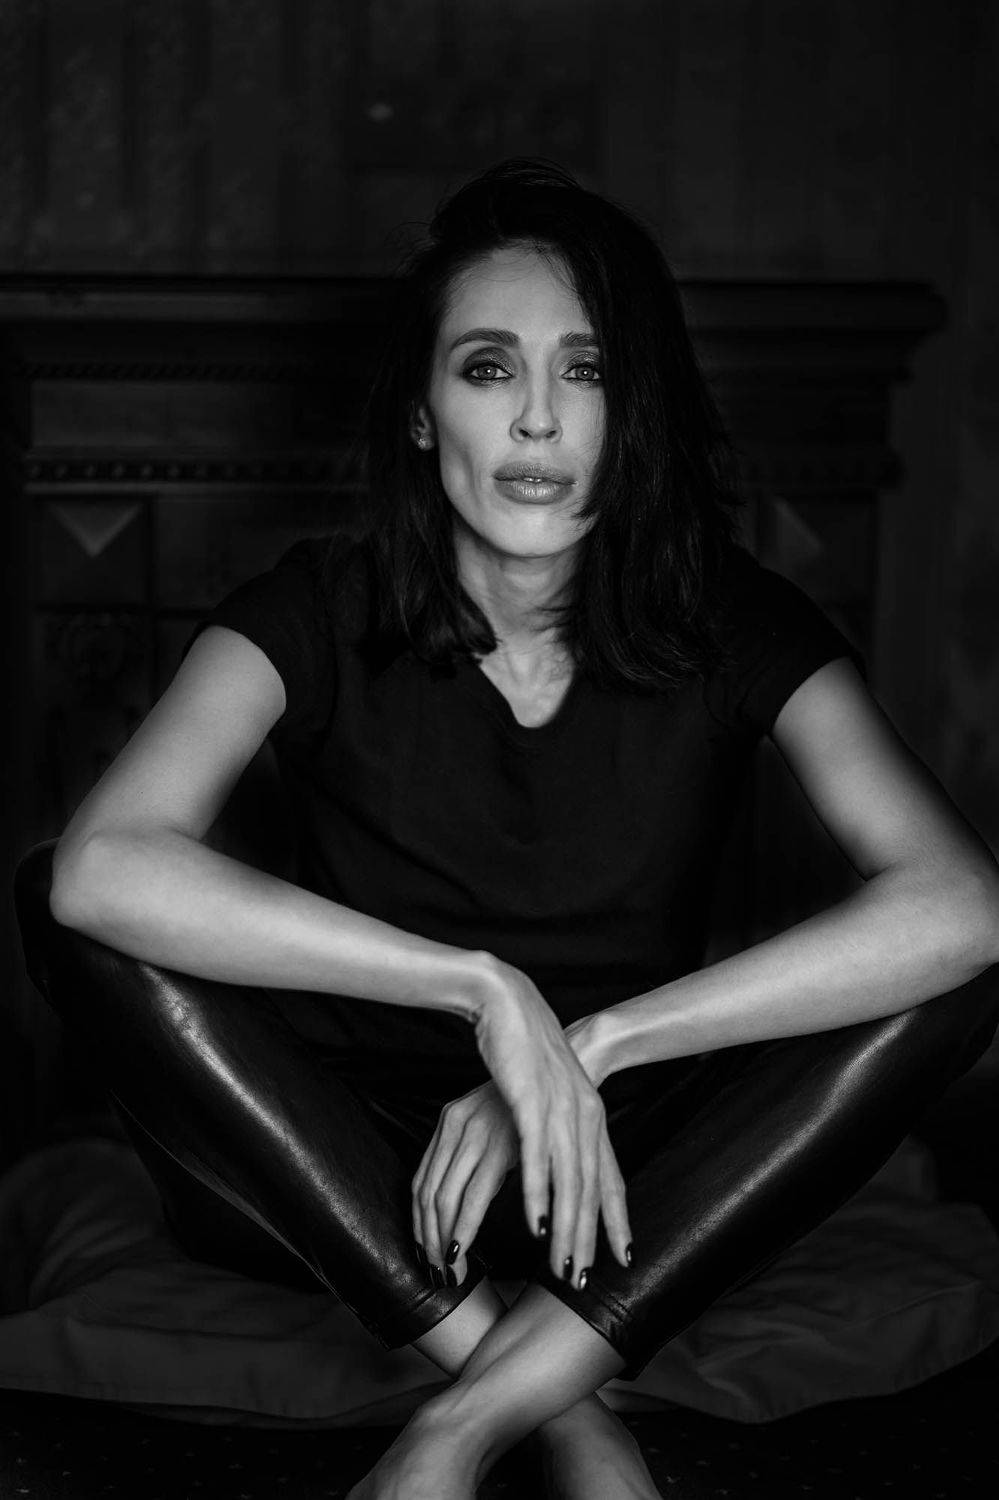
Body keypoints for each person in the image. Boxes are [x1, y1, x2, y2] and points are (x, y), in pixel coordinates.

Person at [47, 158, 999, 1500]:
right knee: (68, 912)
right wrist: (482, 994)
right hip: (334, 1176)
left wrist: (589, 1051)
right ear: (423, 412)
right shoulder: (317, 604)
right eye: (489, 369)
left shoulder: (728, 618)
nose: (540, 420)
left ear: (634, 411)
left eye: (587, 372)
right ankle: (562, 1404)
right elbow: (101, 866)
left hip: (619, 1189)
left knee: (954, 973)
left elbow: (962, 902)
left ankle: (461, 1422)